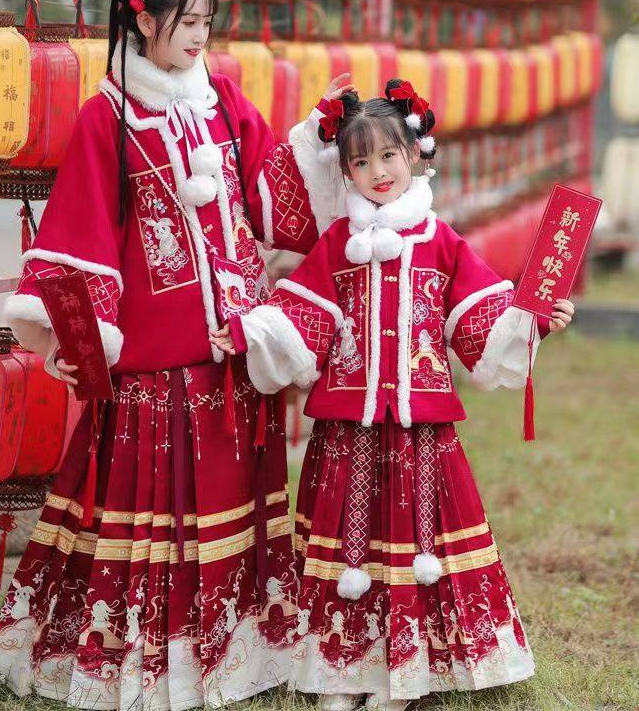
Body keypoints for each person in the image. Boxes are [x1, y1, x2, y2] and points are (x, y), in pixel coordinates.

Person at [0, 0, 351, 710]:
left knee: (238, 499)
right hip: (156, 351)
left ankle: (238, 649)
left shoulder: (224, 104)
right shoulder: (106, 118)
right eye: (187, 20)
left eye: (208, 22)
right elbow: (82, 232)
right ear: (143, 19)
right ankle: (144, 656)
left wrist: (316, 144)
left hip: (235, 344)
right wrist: (91, 340)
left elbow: (274, 207)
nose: (200, 35)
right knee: (151, 511)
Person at [210, 81, 575, 710]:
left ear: (415, 155)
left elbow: (481, 314)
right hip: (347, 429)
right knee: (348, 549)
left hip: (421, 430)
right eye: (360, 161)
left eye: (389, 156)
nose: (376, 172)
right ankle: (342, 666)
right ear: (345, 170)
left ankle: (404, 674)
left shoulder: (441, 242)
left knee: (414, 544)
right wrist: (254, 329)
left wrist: (533, 319)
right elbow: (304, 315)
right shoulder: (337, 247)